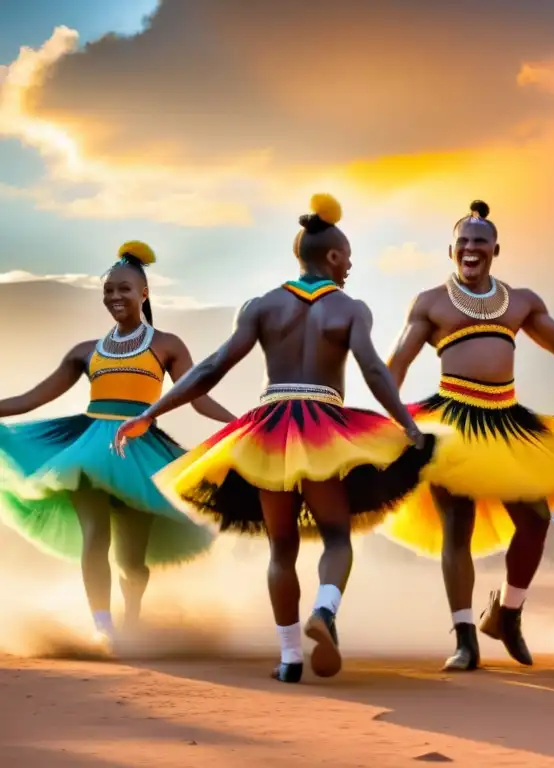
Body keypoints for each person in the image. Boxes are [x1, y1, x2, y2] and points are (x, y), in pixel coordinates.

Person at [114, 194, 436, 684]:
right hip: (324, 425)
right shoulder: (349, 308)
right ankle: (325, 612)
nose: (350, 265)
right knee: (335, 535)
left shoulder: (262, 306)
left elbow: (212, 368)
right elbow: (373, 369)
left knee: (281, 548)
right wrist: (407, 426)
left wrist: (151, 412)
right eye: (347, 257)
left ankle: (289, 658)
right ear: (331, 257)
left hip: (270, 429)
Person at [382, 200, 554, 672]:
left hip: (506, 421)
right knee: (456, 527)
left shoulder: (520, 301)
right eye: (463, 241)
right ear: (451, 250)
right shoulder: (431, 302)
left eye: (480, 241)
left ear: (495, 249)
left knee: (536, 519)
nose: (470, 247)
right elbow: (395, 367)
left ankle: (507, 613)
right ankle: (464, 636)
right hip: (452, 421)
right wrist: (394, 422)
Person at [0, 241, 235, 647]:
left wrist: (241, 423)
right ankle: (102, 626)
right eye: (108, 290)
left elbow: (198, 398)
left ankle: (132, 623)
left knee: (131, 557)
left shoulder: (167, 344)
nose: (114, 296)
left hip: (141, 450)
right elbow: (33, 398)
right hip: (88, 447)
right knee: (95, 535)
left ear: (144, 293)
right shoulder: (85, 352)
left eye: (123, 288)